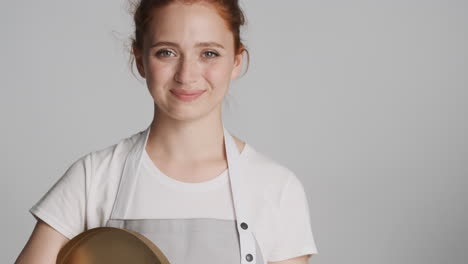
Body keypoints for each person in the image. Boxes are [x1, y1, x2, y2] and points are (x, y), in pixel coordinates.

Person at [15, 1, 318, 263]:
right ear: (140, 60)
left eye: (209, 53)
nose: (187, 75)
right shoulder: (93, 177)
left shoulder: (275, 187)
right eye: (166, 53)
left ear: (236, 61)